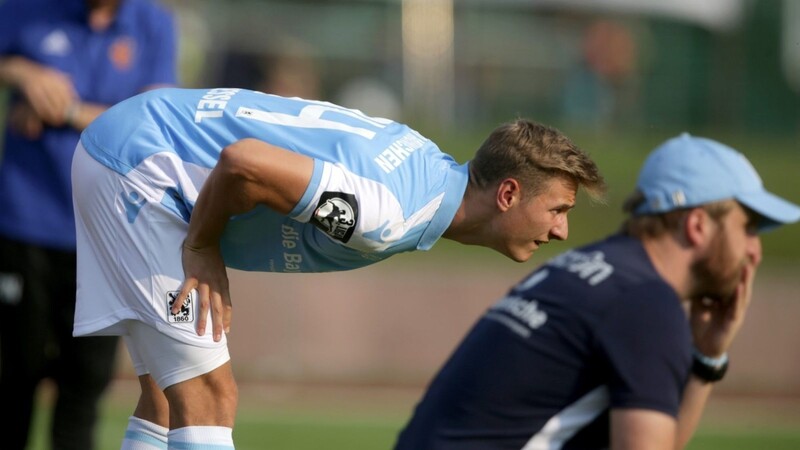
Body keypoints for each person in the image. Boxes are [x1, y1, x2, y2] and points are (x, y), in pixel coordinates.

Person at [70, 86, 606, 448]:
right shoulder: (386, 213)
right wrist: (203, 248)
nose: (561, 230)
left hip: (126, 139)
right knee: (209, 395)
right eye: (559, 210)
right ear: (509, 194)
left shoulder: (423, 161)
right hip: (138, 168)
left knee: (167, 397)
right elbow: (244, 164)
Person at [393, 133, 800, 450]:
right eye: (747, 227)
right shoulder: (646, 303)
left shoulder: (593, 270)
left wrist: (706, 356)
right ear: (697, 225)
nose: (754, 249)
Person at [0, 0, 177, 449]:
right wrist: (22, 73)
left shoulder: (153, 24)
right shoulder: (25, 9)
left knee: (85, 386)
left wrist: (67, 109)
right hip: (25, 227)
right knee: (11, 379)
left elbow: (155, 123)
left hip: (108, 234)